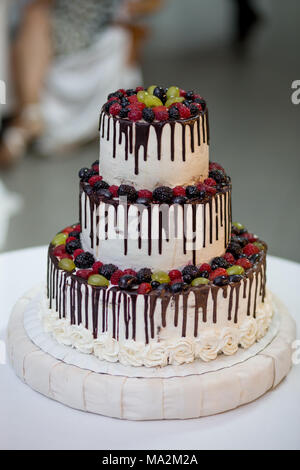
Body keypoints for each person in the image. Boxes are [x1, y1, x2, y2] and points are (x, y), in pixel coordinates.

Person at [0, 0, 164, 168]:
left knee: (36, 17)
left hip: (100, 27)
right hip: (57, 23)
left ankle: (27, 122)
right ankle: (30, 114)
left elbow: (148, 6)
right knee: (34, 16)